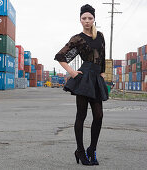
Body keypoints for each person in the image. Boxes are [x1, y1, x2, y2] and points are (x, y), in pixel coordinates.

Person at [54, 4, 108, 166]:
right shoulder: (77, 38)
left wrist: (103, 73)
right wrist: (71, 72)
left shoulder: (100, 36)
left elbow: (103, 57)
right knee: (81, 115)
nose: (87, 21)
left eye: (90, 18)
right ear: (80, 20)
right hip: (84, 78)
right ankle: (80, 150)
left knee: (98, 115)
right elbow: (60, 55)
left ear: (94, 19)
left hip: (96, 78)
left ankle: (92, 149)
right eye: (84, 18)